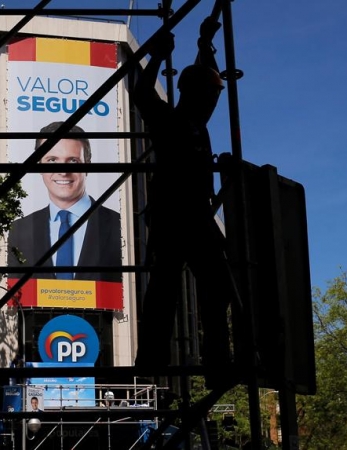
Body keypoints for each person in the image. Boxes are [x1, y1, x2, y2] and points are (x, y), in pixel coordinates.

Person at [132, 17, 237, 381]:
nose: (213, 101)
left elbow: (203, 75)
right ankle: (151, 362)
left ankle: (217, 361)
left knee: (218, 284)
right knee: (165, 291)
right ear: (195, 95)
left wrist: (205, 42)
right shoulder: (171, 120)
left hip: (194, 216)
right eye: (211, 95)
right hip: (175, 216)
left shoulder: (196, 124)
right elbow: (142, 94)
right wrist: (158, 58)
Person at [7, 121, 122, 282]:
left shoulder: (120, 225)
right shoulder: (19, 230)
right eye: (52, 160)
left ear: (87, 166)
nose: (63, 171)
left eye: (73, 161)